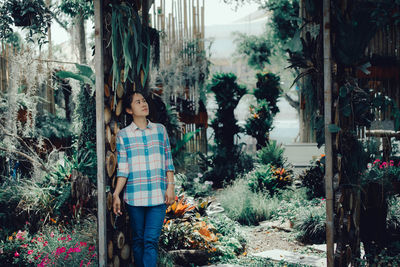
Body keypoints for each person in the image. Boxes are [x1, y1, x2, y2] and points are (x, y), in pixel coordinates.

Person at [112, 90, 175, 267]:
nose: (143, 104)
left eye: (144, 101)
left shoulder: (160, 130)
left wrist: (170, 186)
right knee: (138, 240)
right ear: (129, 110)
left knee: (150, 241)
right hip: (134, 197)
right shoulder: (123, 135)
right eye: (137, 102)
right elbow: (123, 169)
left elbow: (168, 161)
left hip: (158, 196)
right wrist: (116, 194)